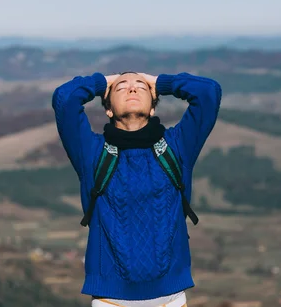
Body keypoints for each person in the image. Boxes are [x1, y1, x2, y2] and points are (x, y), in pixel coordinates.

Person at [52, 71, 222, 307]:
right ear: (108, 109)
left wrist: (161, 82)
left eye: (140, 87)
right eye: (121, 88)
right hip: (110, 300)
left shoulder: (178, 146)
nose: (132, 89)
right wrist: (102, 82)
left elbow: (209, 92)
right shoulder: (91, 152)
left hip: (170, 299)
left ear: (153, 108)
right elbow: (64, 98)